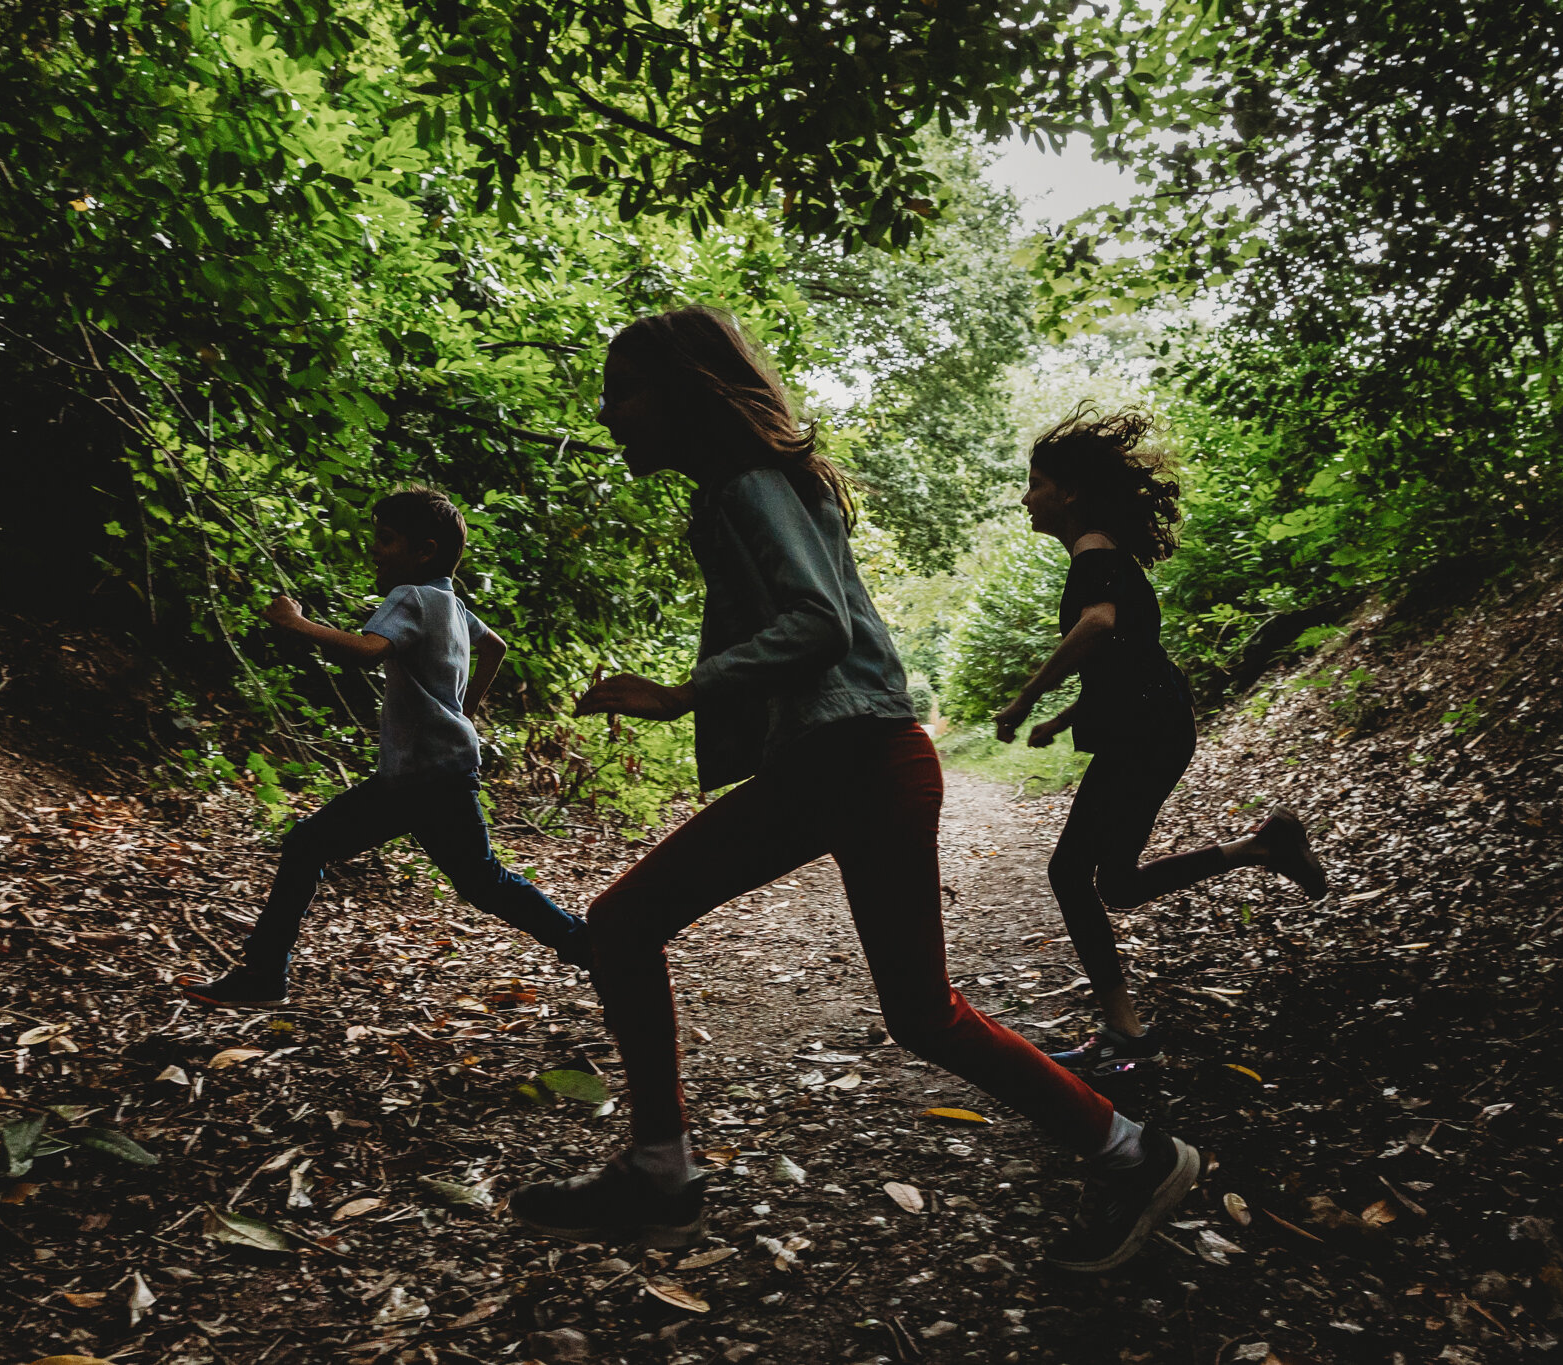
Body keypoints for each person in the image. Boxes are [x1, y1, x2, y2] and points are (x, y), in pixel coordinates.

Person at [506, 308, 1200, 1273]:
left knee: (647, 932)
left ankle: (1139, 1152)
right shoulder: (747, 487)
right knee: (911, 1007)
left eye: (623, 391)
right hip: (842, 763)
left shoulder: (749, 483)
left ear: (681, 393)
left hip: (859, 762)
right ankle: (1135, 1151)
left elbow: (817, 624)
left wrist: (682, 692)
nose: (609, 411)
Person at [991, 406, 1328, 1074]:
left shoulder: (1092, 554)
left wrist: (1027, 695)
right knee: (1113, 881)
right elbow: (1125, 656)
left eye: (1034, 482)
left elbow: (1097, 626)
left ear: (1069, 492)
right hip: (1154, 722)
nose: (1026, 496)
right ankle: (1262, 844)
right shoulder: (1105, 555)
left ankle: (1127, 1033)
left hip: (1147, 730)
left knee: (1070, 873)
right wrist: (1061, 721)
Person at [182, 486, 589, 1006]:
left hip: (422, 777)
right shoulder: (453, 605)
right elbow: (496, 648)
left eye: (386, 539)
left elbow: (367, 652)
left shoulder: (413, 597)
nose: (375, 549)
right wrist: (466, 710)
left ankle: (263, 976)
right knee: (480, 880)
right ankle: (587, 944)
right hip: (434, 774)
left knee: (311, 846)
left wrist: (294, 623)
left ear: (424, 551)